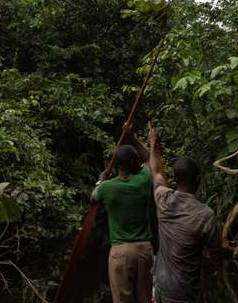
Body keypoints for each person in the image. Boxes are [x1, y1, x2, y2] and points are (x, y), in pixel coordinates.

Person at [146, 122, 223, 303]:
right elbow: (216, 254)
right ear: (198, 179)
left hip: (161, 288)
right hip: (185, 293)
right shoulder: (205, 215)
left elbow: (156, 171)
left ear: (175, 179)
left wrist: (152, 144)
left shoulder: (163, 199)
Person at [92, 134, 155, 303]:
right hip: (144, 250)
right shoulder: (143, 180)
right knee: (145, 299)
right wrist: (131, 136)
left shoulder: (107, 188)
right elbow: (149, 158)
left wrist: (101, 180)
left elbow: (93, 198)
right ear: (134, 163)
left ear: (117, 166)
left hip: (120, 251)